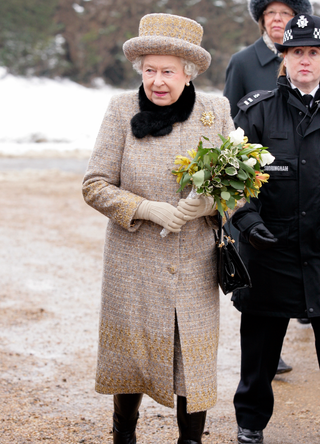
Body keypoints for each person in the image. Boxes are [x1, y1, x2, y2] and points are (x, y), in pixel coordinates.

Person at [82, 13, 239, 444]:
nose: (157, 81)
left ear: (189, 73)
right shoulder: (120, 109)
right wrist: (147, 209)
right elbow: (94, 185)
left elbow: (242, 186)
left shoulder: (216, 112)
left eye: (168, 71)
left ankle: (190, 440)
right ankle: (124, 436)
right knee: (130, 359)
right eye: (149, 70)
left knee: (194, 364)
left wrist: (213, 202)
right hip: (133, 264)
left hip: (193, 264)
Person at [230, 14, 320, 444]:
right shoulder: (257, 112)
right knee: (260, 353)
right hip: (269, 253)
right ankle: (250, 424)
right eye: (297, 52)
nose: (305, 60)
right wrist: (247, 221)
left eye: (314, 52)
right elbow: (230, 183)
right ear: (283, 58)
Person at [224, 0, 313, 119]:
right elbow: (229, 119)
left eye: (285, 13)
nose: (277, 18)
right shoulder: (241, 62)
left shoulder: (312, 62)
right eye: (270, 12)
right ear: (262, 18)